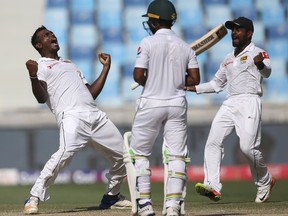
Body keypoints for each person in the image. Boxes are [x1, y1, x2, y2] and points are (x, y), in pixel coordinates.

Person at [23, 26, 131, 214]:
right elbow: (41, 97)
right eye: (46, 35)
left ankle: (111, 197)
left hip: (95, 115)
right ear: (39, 45)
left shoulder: (71, 64)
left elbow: (90, 94)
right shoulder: (40, 65)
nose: (52, 35)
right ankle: (33, 198)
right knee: (63, 154)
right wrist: (32, 75)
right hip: (71, 116)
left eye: (52, 33)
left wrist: (105, 69)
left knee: (124, 155)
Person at [184, 17, 275, 203]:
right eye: (233, 29)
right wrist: (192, 88)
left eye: (238, 29)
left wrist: (260, 65)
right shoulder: (227, 59)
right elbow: (216, 84)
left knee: (247, 148)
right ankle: (212, 185)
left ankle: (265, 180)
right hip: (230, 102)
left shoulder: (259, 52)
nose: (234, 32)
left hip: (250, 100)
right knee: (212, 142)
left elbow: (268, 72)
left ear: (249, 33)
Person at [127, 0, 200, 215]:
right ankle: (172, 208)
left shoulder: (148, 43)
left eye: (150, 19)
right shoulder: (185, 47)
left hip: (151, 103)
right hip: (177, 104)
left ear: (155, 21)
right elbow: (194, 79)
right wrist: (174, 79)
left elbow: (138, 75)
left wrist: (155, 80)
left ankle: (146, 206)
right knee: (177, 156)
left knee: (139, 154)